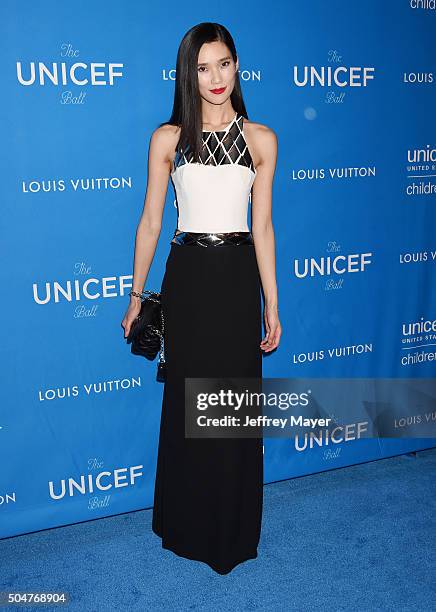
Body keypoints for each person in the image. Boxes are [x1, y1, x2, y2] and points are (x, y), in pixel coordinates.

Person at [121, 22, 281, 574]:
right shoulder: (168, 139)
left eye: (225, 64)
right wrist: (137, 295)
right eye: (203, 67)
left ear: (238, 66)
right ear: (188, 73)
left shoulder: (261, 140)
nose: (216, 78)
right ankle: (186, 524)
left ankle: (231, 530)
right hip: (188, 277)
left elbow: (263, 228)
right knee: (189, 401)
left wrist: (272, 303)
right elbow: (150, 221)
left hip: (237, 278)